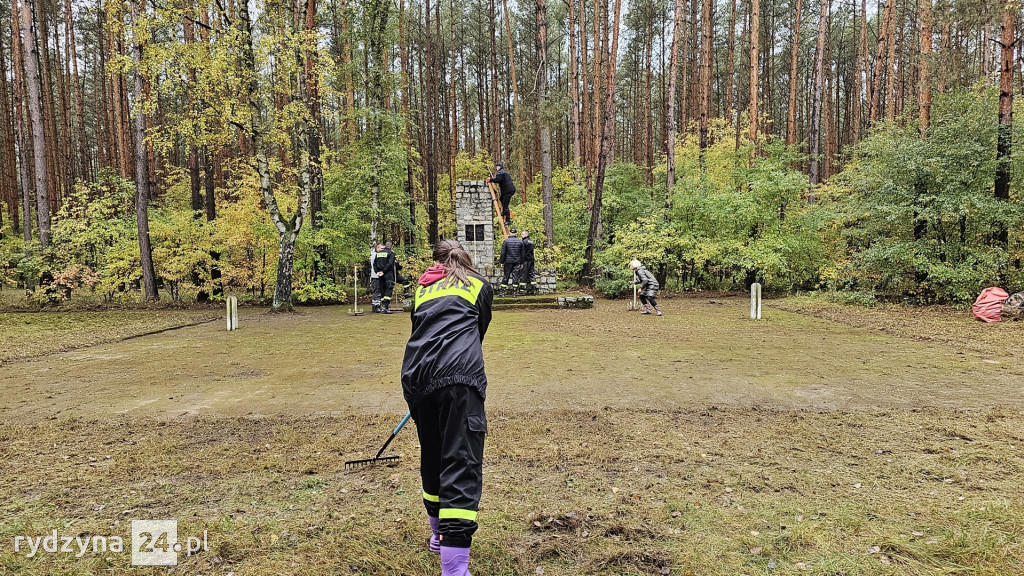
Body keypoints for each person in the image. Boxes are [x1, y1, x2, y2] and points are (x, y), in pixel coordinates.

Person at [401, 239, 493, 576]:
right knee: (460, 461)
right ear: (465, 260)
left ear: (435, 261)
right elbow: (478, 331)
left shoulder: (421, 289)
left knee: (433, 455)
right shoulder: (480, 286)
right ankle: (454, 569)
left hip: (417, 378)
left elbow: (422, 330)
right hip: (458, 380)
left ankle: (439, 535)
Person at [498, 228, 524, 297]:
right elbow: (522, 254)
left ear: (509, 233)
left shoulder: (506, 241)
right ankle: (514, 292)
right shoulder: (520, 242)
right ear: (516, 233)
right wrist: (521, 263)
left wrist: (502, 262)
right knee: (515, 276)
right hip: (517, 261)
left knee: (506, 276)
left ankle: (503, 292)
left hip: (508, 261)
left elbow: (503, 252)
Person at [372, 243, 396, 313]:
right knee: (389, 288)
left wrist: (377, 272)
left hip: (380, 274)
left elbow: (374, 264)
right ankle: (386, 307)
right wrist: (384, 271)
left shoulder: (378, 253)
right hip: (387, 273)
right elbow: (390, 263)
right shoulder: (391, 253)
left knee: (382, 289)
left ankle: (383, 306)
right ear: (391, 247)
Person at [520, 230, 536, 295]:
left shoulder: (523, 242)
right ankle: (534, 289)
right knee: (531, 274)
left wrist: (521, 261)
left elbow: (522, 253)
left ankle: (522, 290)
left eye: (522, 234)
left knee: (523, 275)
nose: (521, 235)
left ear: (526, 235)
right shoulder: (531, 241)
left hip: (525, 261)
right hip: (531, 260)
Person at [370, 243, 384, 313]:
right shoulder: (374, 255)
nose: (383, 250)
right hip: (376, 276)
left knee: (379, 291)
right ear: (377, 248)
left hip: (378, 275)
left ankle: (377, 305)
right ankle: (375, 306)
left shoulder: (376, 255)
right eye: (381, 248)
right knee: (377, 292)